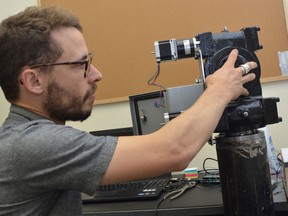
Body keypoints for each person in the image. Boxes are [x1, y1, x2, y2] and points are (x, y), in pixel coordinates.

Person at [0, 6, 257, 216]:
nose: (97, 75)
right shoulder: (33, 144)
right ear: (34, 81)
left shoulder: (25, 138)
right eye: (81, 64)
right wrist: (220, 89)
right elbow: (173, 150)